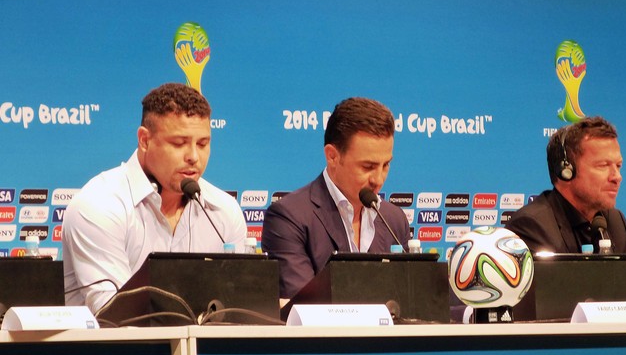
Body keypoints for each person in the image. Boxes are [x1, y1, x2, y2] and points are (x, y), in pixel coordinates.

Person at [63, 83, 246, 312]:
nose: (193, 156)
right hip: (113, 347)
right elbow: (117, 314)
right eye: (179, 143)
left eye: (202, 144)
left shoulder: (223, 211)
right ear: (145, 140)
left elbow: (238, 310)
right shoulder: (99, 205)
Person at [262, 97, 410, 300]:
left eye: (385, 165)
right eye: (367, 167)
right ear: (332, 156)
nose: (378, 179)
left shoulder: (394, 220)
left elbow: (409, 301)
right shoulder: (289, 218)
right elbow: (304, 307)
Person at [506, 116, 626, 255]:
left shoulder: (615, 221)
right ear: (566, 171)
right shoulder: (531, 226)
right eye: (603, 165)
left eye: (618, 166)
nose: (617, 177)